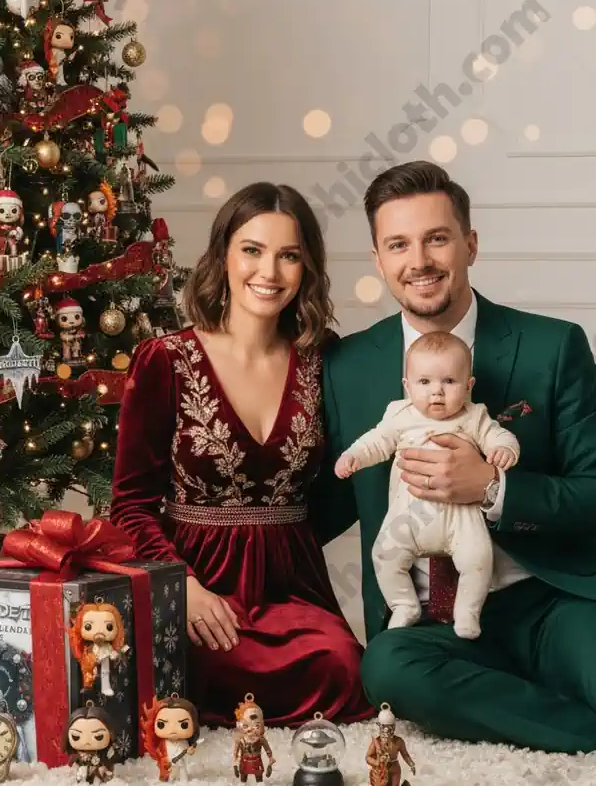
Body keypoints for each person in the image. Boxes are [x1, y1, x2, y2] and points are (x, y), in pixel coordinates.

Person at [314, 159, 596, 753]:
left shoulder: (552, 347)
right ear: (378, 259)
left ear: (470, 244)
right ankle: (577, 727)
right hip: (429, 623)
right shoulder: (347, 366)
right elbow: (323, 505)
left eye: (437, 238)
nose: (419, 260)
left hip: (547, 602)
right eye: (398, 244)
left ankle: (525, 696)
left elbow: (592, 491)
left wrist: (493, 489)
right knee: (388, 672)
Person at [110, 182, 374, 728]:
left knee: (343, 666)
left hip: (291, 587)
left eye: (289, 255)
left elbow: (344, 482)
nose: (269, 272)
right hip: (195, 582)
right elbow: (130, 504)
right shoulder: (165, 359)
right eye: (252, 250)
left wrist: (289, 539)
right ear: (223, 255)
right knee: (184, 669)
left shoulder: (322, 359)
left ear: (307, 267)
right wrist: (179, 585)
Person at [335, 331, 520, 639]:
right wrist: (353, 455)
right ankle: (404, 604)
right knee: (384, 554)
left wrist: (504, 449)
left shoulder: (474, 416)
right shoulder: (400, 415)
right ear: (407, 386)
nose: (437, 392)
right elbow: (377, 441)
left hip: (461, 515)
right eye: (424, 382)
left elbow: (499, 436)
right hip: (409, 515)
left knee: (478, 559)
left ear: (468, 386)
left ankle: (467, 611)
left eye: (449, 381)